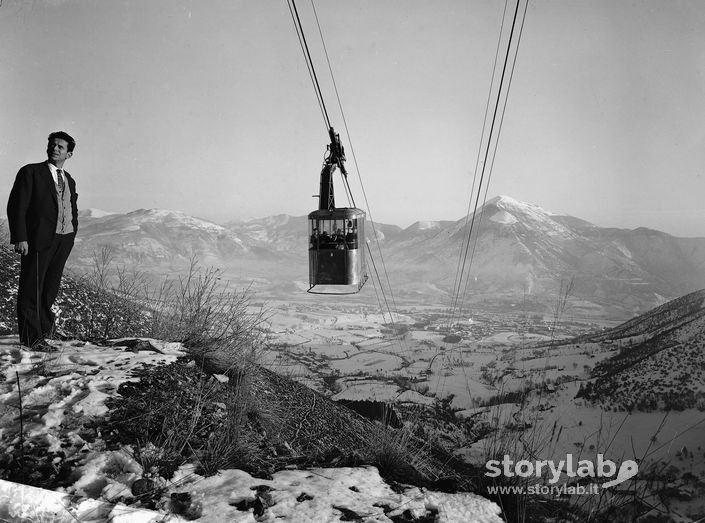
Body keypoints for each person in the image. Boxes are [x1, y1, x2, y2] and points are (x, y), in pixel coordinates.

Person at [7, 131, 79, 351]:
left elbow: (71, 209)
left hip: (63, 240)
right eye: (52, 145)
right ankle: (32, 338)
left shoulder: (69, 180)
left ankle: (46, 330)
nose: (54, 149)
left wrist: (72, 233)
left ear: (69, 153)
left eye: (60, 147)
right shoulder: (31, 172)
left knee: (49, 288)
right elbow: (17, 207)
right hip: (37, 240)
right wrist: (21, 237)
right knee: (31, 287)